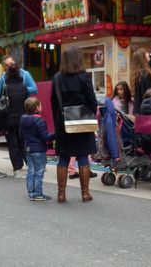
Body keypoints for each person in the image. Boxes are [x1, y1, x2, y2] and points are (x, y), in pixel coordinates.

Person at [51, 46, 98, 203]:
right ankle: (85, 193)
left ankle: (61, 194)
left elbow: (53, 102)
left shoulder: (57, 78)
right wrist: (87, 114)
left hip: (63, 122)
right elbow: (92, 101)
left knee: (63, 158)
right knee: (83, 156)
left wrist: (58, 120)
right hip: (82, 121)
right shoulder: (84, 77)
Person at [20, 97, 55, 201]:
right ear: (37, 108)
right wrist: (55, 134)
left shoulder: (22, 119)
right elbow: (45, 137)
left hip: (28, 149)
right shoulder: (39, 120)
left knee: (30, 170)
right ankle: (38, 193)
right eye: (40, 105)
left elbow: (20, 134)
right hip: (39, 150)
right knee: (39, 171)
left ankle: (31, 193)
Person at [2, 64, 29, 177]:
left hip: (10, 119)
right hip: (22, 118)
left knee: (12, 144)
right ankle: (28, 164)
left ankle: (17, 168)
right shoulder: (23, 87)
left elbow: (3, 101)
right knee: (22, 142)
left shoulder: (6, 87)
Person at [130, 48, 151, 115]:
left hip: (138, 110)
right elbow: (150, 94)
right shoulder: (147, 74)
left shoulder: (136, 74)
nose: (148, 54)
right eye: (146, 53)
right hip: (147, 111)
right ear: (143, 58)